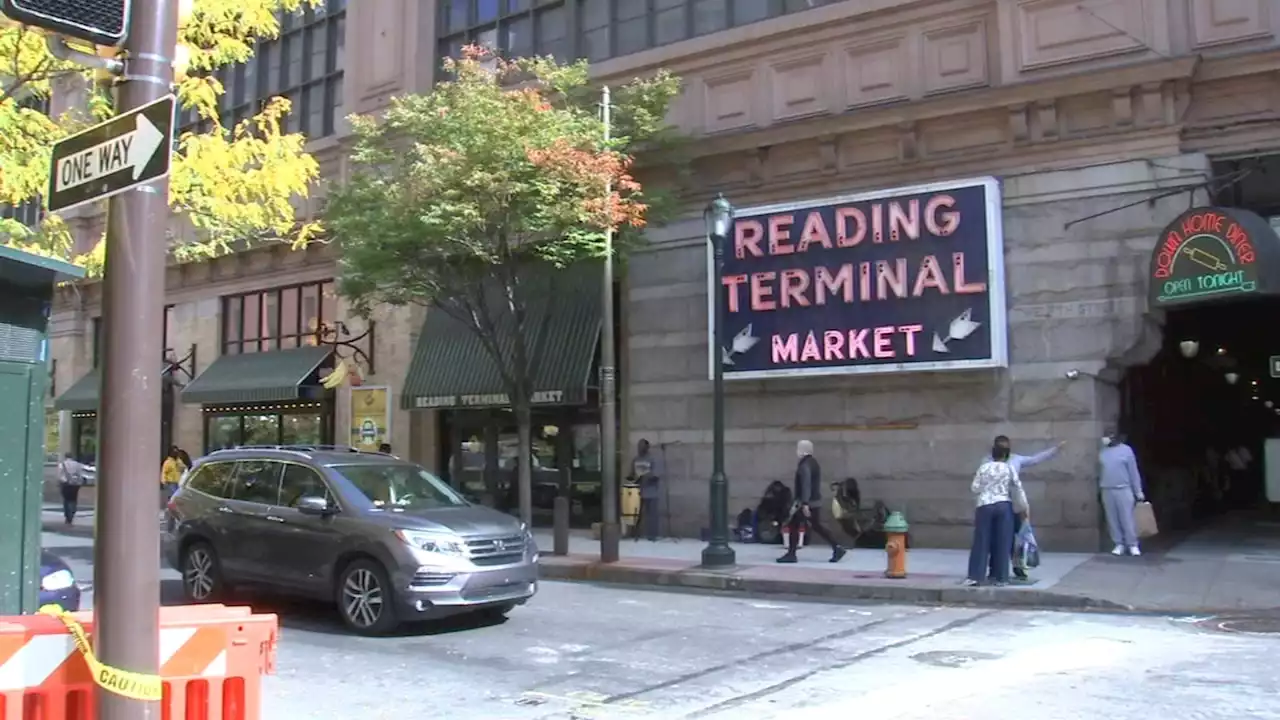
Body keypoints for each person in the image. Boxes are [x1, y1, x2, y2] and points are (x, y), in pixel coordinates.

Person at [982, 435, 1065, 581]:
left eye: (1005, 446)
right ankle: (995, 569)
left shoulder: (1015, 459)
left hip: (1014, 504)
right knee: (996, 538)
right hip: (995, 503)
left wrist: (1055, 450)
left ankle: (1019, 566)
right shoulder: (987, 461)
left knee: (1020, 538)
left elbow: (1035, 459)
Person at [966, 441, 1028, 586]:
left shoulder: (984, 468)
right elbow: (1018, 488)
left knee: (981, 541)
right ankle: (1000, 577)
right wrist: (1023, 507)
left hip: (984, 505)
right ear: (1006, 455)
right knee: (1003, 541)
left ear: (992, 453)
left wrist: (986, 488)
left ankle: (976, 576)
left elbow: (974, 488)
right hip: (1003, 504)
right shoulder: (1009, 468)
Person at [777, 440, 847, 564]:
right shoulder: (813, 463)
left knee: (794, 526)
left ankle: (791, 554)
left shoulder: (804, 465)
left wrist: (804, 503)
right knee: (816, 526)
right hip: (814, 501)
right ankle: (837, 547)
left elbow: (806, 484)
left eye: (798, 448)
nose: (797, 450)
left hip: (806, 502)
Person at [1099, 428, 1145, 556]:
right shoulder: (1103, 452)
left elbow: (1133, 472)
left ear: (1114, 437)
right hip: (1107, 489)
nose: (1105, 438)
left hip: (1123, 489)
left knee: (1127, 518)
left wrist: (1138, 491)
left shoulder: (1126, 450)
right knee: (1112, 519)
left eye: (1108, 436)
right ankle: (1118, 543)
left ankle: (1132, 544)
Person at [630, 439, 662, 541]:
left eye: (642, 446)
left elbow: (656, 475)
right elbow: (631, 474)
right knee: (636, 515)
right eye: (638, 446)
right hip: (638, 491)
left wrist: (646, 476)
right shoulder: (635, 459)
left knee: (652, 515)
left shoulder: (653, 459)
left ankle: (652, 536)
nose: (639, 448)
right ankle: (635, 535)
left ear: (647, 447)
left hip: (651, 492)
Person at [58, 452, 87, 525]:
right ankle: (72, 512)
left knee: (66, 500)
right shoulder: (77, 464)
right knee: (73, 499)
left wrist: (61, 481)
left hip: (66, 484)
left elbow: (59, 475)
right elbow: (83, 472)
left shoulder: (62, 464)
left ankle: (68, 516)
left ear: (65, 457)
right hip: (75, 484)